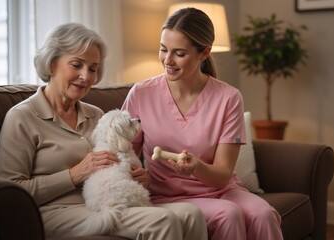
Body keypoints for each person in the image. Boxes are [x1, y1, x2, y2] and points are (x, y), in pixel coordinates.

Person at [0, 22, 208, 240]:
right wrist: (73, 174)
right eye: (76, 65)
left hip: (106, 202)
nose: (86, 76)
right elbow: (10, 193)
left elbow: (119, 162)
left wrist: (140, 178)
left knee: (192, 214)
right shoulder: (22, 117)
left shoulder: (96, 115)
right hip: (55, 212)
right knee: (163, 220)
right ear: (51, 64)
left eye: (93, 69)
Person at [121, 8, 284, 240]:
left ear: (204, 53)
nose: (167, 60)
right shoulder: (141, 94)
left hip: (221, 190)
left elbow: (222, 175)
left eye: (179, 53)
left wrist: (195, 166)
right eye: (163, 49)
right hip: (166, 196)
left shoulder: (228, 98)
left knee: (264, 214)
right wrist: (137, 176)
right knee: (227, 214)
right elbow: (126, 154)